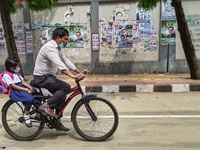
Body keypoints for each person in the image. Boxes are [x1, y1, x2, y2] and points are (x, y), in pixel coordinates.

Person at [33, 27, 86, 132]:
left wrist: (79, 72)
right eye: (65, 39)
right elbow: (60, 64)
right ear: (58, 38)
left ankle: (56, 122)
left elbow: (66, 61)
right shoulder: (49, 48)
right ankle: (45, 106)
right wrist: (72, 76)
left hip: (49, 77)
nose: (67, 41)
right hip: (41, 78)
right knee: (66, 87)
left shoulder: (58, 49)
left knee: (61, 96)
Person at [2, 55, 35, 128]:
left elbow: (23, 82)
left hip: (21, 87)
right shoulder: (6, 75)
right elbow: (13, 86)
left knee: (36, 94)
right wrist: (26, 90)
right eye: (17, 67)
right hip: (15, 90)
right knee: (30, 99)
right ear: (11, 67)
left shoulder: (16, 73)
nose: (18, 68)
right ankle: (26, 115)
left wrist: (30, 87)